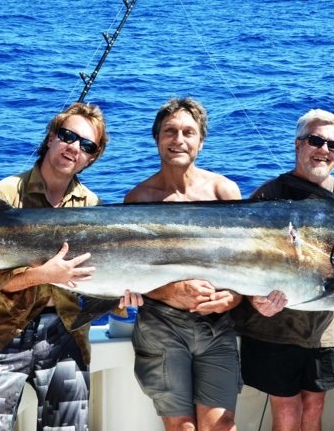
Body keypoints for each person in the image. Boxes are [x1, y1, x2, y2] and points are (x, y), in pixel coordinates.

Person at [0, 102, 141, 431]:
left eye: (86, 145)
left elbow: (92, 284)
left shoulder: (94, 207)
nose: (74, 147)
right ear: (51, 137)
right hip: (0, 332)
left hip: (65, 334)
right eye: (68, 135)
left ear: (92, 158)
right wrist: (42, 275)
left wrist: (118, 300)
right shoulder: (4, 195)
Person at [231, 108, 334, 431]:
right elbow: (239, 261)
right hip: (274, 327)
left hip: (325, 331)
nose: (325, 150)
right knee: (286, 413)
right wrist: (252, 298)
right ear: (298, 145)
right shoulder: (267, 196)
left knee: (314, 408)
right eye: (316, 140)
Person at [125, 97, 243, 431]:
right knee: (184, 428)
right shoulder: (139, 199)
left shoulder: (224, 191)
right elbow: (132, 271)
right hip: (161, 325)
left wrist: (231, 297)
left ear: (200, 142)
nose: (179, 139)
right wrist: (173, 291)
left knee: (222, 425)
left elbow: (245, 265)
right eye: (170, 131)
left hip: (217, 325)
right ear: (157, 139)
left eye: (188, 132)